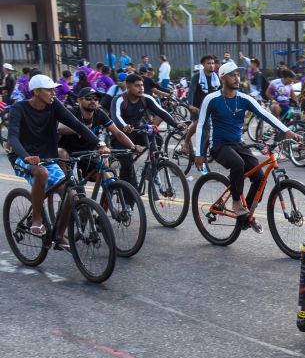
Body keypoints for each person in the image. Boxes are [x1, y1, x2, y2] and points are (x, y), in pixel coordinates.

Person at [193, 62, 299, 231]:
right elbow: (200, 126)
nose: (236, 78)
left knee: (259, 177)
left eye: (237, 75)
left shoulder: (244, 98)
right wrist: (199, 153)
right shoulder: (211, 99)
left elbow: (265, 114)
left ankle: (246, 215)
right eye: (232, 75)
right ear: (222, 78)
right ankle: (236, 203)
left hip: (238, 144)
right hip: (219, 145)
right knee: (238, 164)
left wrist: (286, 131)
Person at [7, 75, 107, 248]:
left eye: (54, 89)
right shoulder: (19, 108)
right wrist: (26, 157)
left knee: (71, 195)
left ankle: (59, 236)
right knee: (41, 172)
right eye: (49, 89)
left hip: (47, 156)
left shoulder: (54, 105)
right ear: (36, 92)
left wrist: (98, 143)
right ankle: (36, 219)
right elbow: (13, 137)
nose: (54, 92)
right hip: (21, 157)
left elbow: (77, 124)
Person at [110, 73, 184, 188]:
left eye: (142, 85)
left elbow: (161, 112)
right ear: (128, 87)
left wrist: (176, 125)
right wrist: (124, 126)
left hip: (136, 131)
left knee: (157, 139)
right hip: (120, 135)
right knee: (127, 166)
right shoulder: (119, 99)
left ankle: (152, 168)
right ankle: (127, 198)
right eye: (137, 86)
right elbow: (116, 117)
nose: (141, 88)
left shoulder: (146, 98)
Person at [58, 87, 141, 179]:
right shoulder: (72, 112)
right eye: (89, 98)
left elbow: (117, 133)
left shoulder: (99, 114)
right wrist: (81, 128)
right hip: (70, 154)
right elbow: (60, 128)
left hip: (88, 154)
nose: (93, 101)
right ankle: (67, 186)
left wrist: (132, 146)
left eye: (96, 99)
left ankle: (108, 191)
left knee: (108, 180)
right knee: (62, 156)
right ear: (79, 100)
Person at [182, 55, 220, 155]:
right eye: (209, 63)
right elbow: (191, 91)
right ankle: (186, 142)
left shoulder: (216, 77)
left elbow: (221, 91)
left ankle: (205, 150)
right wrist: (190, 105)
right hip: (197, 106)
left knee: (212, 128)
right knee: (198, 122)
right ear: (203, 65)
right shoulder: (197, 77)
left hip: (210, 106)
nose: (212, 65)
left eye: (213, 63)